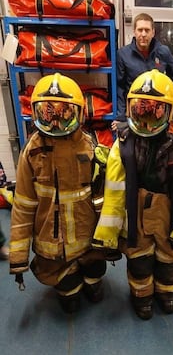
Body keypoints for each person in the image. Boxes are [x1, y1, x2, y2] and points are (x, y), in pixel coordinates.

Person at [92, 69, 173, 320]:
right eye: (139, 110)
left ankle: (166, 293)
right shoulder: (122, 146)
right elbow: (114, 195)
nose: (145, 119)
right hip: (136, 222)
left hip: (169, 219)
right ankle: (141, 297)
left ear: (170, 111)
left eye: (153, 111)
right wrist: (108, 236)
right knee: (139, 263)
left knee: (169, 262)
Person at [9, 73, 110, 314]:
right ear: (37, 113)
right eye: (48, 114)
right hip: (53, 246)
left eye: (64, 114)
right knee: (69, 297)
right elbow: (23, 205)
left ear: (79, 113)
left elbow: (108, 198)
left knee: (95, 280)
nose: (55, 122)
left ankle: (91, 279)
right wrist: (18, 256)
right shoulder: (32, 152)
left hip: (89, 240)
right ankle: (69, 285)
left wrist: (111, 239)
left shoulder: (92, 148)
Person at [112, 12, 173, 130]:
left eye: (147, 30)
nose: (143, 34)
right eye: (140, 30)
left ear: (153, 32)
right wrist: (121, 117)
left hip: (159, 112)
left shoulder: (163, 51)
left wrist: (164, 86)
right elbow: (120, 87)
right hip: (135, 112)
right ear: (134, 31)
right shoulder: (123, 54)